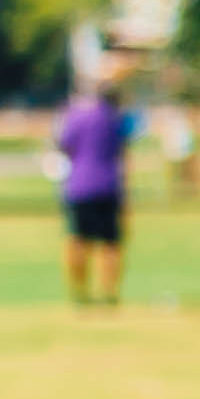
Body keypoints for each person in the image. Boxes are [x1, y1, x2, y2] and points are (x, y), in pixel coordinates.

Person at [53, 59, 139, 307]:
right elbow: (124, 149)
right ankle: (110, 294)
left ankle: (80, 294)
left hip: (79, 185)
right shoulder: (115, 119)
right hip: (109, 185)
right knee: (110, 243)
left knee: (78, 239)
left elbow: (63, 145)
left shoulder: (75, 115)